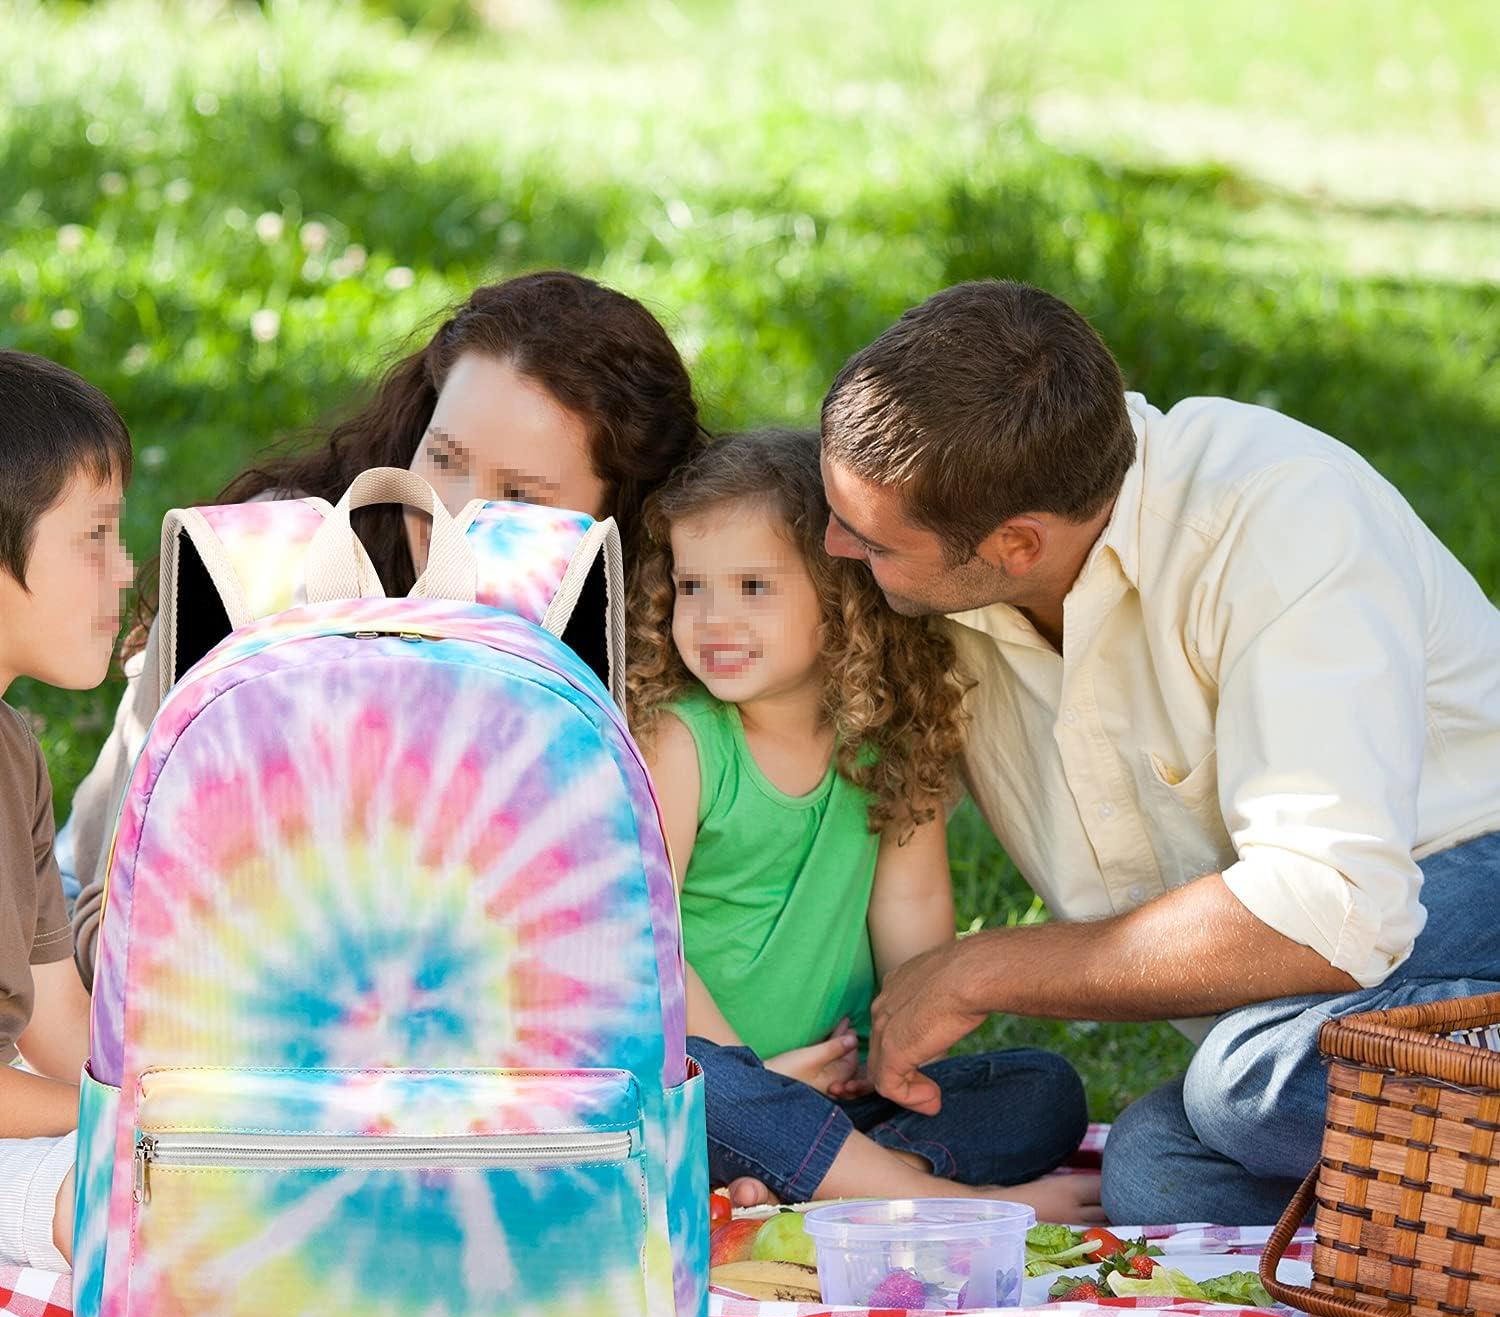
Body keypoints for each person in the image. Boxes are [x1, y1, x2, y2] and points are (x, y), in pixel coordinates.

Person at [813, 278, 1500, 1226]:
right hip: (1314, 998)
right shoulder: (964, 572)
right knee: (1159, 1174)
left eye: (873, 540)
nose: (833, 546)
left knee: (1248, 1082)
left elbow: (1333, 909)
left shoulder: (1277, 517)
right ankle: (1452, 1210)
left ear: (1017, 543)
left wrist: (982, 968)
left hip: (1466, 877)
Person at [65, 270, 705, 988]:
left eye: (520, 495)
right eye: (444, 458)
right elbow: (105, 912)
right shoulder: (266, 579)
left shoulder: (651, 654)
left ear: (620, 516)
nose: (451, 514)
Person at [627, 429, 1100, 1219]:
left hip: (838, 1093)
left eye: (753, 587)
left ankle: (835, 1181)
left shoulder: (887, 739)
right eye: (692, 587)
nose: (713, 618)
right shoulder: (682, 740)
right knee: (720, 1104)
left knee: (1043, 1091)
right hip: (719, 1086)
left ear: (840, 598)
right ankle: (949, 1203)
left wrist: (902, 1056)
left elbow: (910, 913)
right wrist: (756, 1075)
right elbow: (649, 938)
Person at [0, 351, 134, 1270]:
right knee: (134, 1198)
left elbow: (57, 1027)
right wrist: (124, 1115)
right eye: (96, 535)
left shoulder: (15, 754)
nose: (124, 570)